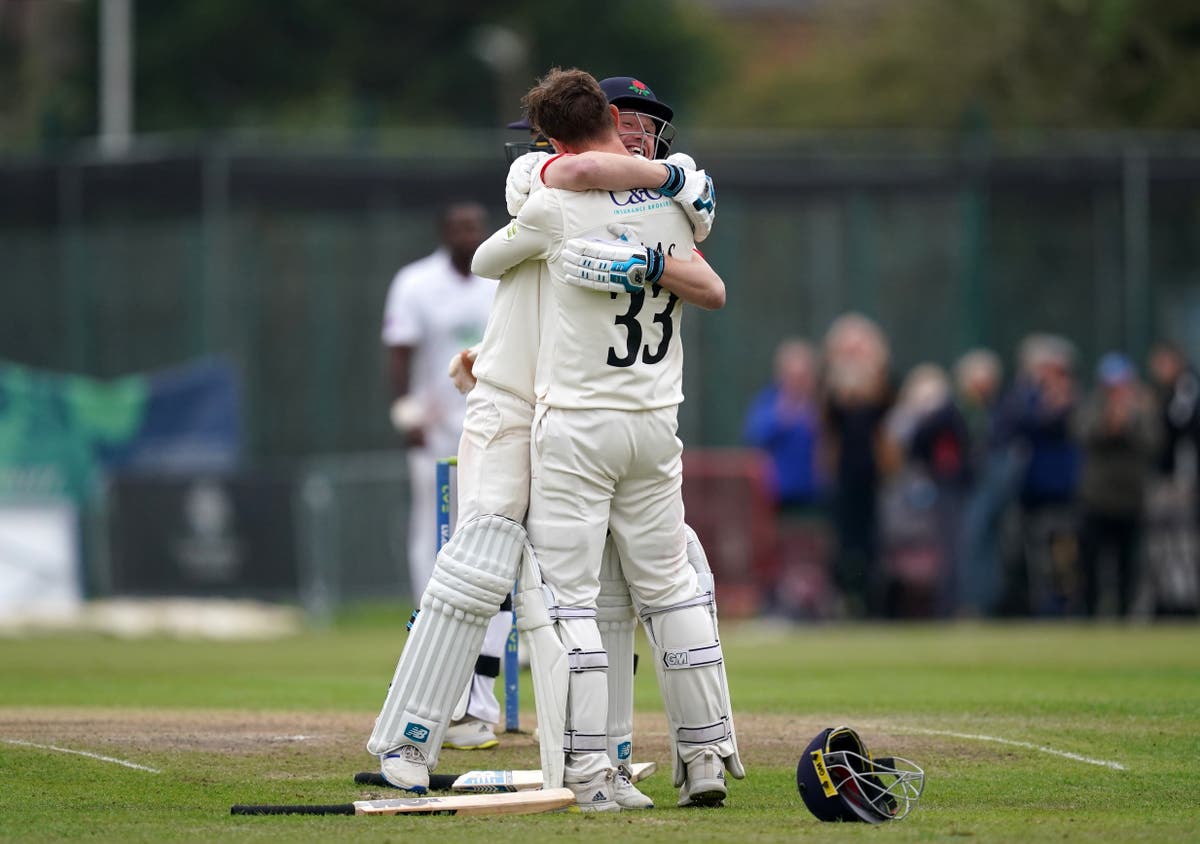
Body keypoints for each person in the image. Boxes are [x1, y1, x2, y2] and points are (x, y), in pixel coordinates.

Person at [366, 72, 721, 811]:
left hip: (582, 410)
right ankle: (411, 739)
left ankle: (619, 756)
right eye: (628, 120)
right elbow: (569, 177)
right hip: (512, 401)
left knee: (621, 582)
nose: (640, 133)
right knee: (479, 563)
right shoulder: (537, 174)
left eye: (652, 125)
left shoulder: (667, 202)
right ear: (597, 123)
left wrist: (656, 212)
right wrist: (669, 180)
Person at [471, 67, 743, 812]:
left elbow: (483, 259)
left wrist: (553, 242)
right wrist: (652, 254)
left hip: (579, 424)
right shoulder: (680, 203)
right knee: (671, 590)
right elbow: (714, 287)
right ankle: (707, 753)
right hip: (656, 424)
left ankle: (592, 771)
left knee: (570, 600)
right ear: (610, 118)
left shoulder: (551, 196)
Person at [380, 202, 506, 749]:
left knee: (485, 546)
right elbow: (399, 352)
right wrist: (406, 414)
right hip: (435, 437)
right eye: (458, 228)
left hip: (491, 433)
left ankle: (480, 672)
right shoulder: (415, 282)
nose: (468, 235)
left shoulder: (498, 277)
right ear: (442, 233)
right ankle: (430, 637)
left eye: (475, 228)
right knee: (430, 540)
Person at [742, 338, 828, 618]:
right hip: (778, 496)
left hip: (816, 495)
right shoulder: (770, 403)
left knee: (813, 552)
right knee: (777, 552)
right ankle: (776, 604)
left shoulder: (821, 405)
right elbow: (756, 434)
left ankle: (817, 604)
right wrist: (784, 414)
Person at [1073, 352, 1160, 617]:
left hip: (1130, 499)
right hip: (1096, 498)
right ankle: (1088, 615)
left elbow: (1154, 442)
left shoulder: (1143, 407)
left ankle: (1124, 615)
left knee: (1127, 566)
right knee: (1090, 564)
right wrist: (1109, 425)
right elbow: (1080, 433)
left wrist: (1130, 423)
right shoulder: (1092, 406)